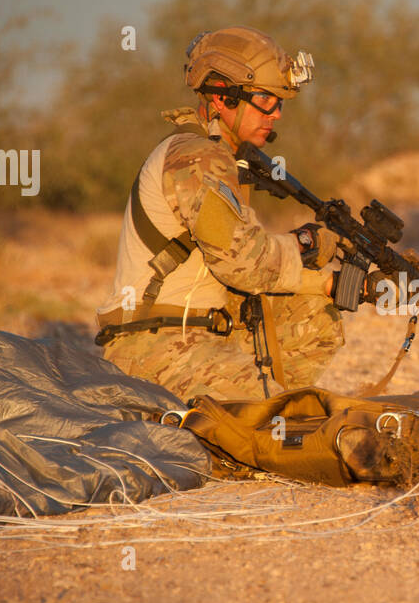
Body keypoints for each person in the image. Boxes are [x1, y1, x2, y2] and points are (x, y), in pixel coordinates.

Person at [95, 26, 346, 402]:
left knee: (314, 312)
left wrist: (329, 285)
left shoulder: (219, 156)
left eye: (280, 102)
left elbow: (244, 263)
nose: (276, 113)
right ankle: (251, 436)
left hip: (192, 332)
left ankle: (261, 424)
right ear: (221, 97)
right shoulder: (197, 157)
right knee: (284, 423)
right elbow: (244, 264)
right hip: (153, 347)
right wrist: (309, 248)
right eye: (265, 99)